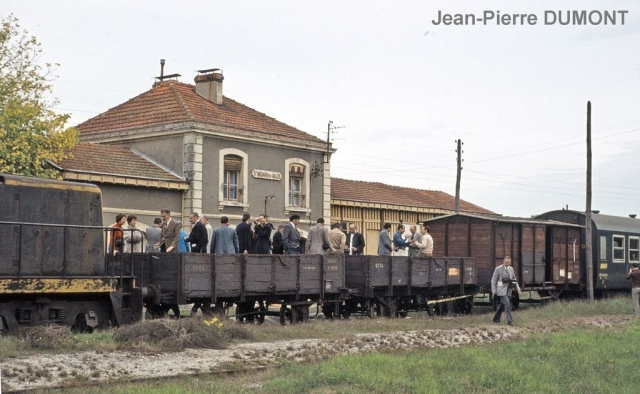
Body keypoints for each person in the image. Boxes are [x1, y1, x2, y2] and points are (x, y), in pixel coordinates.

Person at [491, 256, 521, 326]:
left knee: (502, 305)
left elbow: (514, 279)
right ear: (503, 261)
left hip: (509, 290)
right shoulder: (498, 269)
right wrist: (493, 289)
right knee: (507, 303)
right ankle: (510, 321)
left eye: (509, 262)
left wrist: (518, 288)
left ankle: (496, 319)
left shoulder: (511, 269)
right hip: (500, 289)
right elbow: (493, 280)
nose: (508, 263)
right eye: (507, 262)